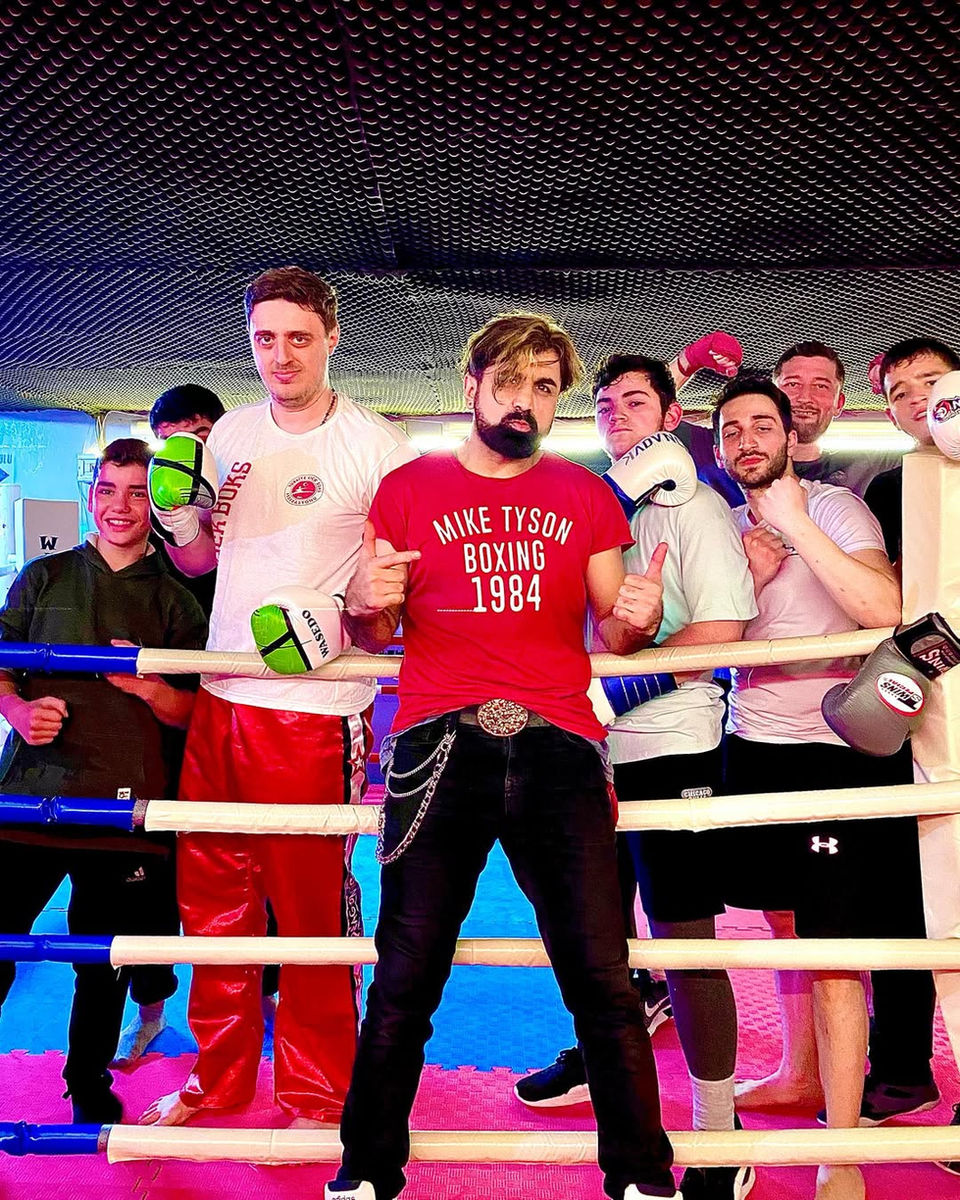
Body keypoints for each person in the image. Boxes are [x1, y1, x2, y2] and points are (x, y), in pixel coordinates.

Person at [326, 313, 678, 1200]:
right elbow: (375, 628)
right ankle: (365, 1171)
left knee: (602, 974)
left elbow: (619, 633)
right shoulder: (408, 489)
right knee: (406, 971)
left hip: (560, 745)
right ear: (473, 385)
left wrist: (640, 615)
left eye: (546, 386)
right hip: (437, 743)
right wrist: (359, 603)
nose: (527, 401)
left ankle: (643, 1176)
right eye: (511, 381)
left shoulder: (586, 494)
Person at [140, 266, 416, 1129]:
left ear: (332, 337)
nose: (281, 355)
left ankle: (318, 1093)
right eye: (265, 338)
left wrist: (346, 613)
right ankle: (215, 1081)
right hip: (221, 696)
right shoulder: (229, 434)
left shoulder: (377, 448)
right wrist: (177, 521)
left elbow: (391, 603)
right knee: (211, 906)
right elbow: (201, 561)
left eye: (299, 337)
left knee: (307, 915)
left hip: (313, 712)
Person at [514, 353, 758, 1200]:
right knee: (592, 935)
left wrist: (615, 687)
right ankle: (605, 1071)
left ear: (670, 414)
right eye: (606, 402)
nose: (617, 413)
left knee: (685, 944)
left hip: (672, 749)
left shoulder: (697, 511)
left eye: (636, 402)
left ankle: (720, 1135)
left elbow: (721, 633)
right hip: (587, 751)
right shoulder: (594, 507)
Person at [712, 378, 906, 1200]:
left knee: (831, 949)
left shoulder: (835, 508)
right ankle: (799, 1073)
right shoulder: (718, 525)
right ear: (717, 447)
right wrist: (750, 579)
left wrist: (794, 522)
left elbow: (884, 607)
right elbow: (706, 642)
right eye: (732, 430)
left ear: (792, 437)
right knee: (783, 920)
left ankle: (842, 1147)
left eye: (764, 425)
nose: (748, 440)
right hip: (752, 745)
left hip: (833, 751)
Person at [0, 438, 206, 1122]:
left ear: (157, 504)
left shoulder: (176, 601)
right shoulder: (43, 577)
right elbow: (2, 664)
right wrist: (18, 709)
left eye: (138, 492)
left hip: (125, 810)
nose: (121, 506)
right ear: (92, 496)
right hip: (29, 797)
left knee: (103, 960)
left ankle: (87, 1084)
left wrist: (147, 684)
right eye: (109, 490)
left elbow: (196, 711)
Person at [110, 386, 230, 1069]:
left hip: (243, 713)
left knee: (254, 855)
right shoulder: (143, 534)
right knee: (148, 870)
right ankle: (150, 1010)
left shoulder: (246, 520)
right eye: (174, 441)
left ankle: (272, 994)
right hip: (159, 724)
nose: (187, 454)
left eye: (200, 437)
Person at [772, 341, 901, 496]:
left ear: (838, 404)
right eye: (793, 384)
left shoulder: (871, 468)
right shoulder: (745, 470)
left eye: (820, 386)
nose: (805, 397)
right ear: (770, 397)